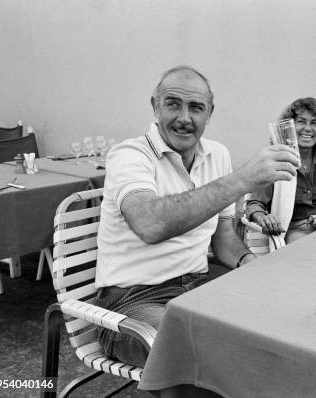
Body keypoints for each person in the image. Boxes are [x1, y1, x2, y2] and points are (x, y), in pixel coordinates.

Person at [94, 65, 300, 374]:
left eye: (196, 108)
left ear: (210, 113)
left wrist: (248, 262)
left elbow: (223, 236)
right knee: (211, 351)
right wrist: (244, 178)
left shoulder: (217, 154)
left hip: (196, 291)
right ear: (155, 106)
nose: (184, 118)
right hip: (132, 305)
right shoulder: (129, 155)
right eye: (173, 103)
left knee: (279, 324)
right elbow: (148, 224)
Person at [246, 97, 316, 243]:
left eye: (315, 123)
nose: (308, 128)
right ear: (289, 127)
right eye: (301, 121)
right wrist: (264, 217)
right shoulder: (276, 161)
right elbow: (255, 204)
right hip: (295, 232)